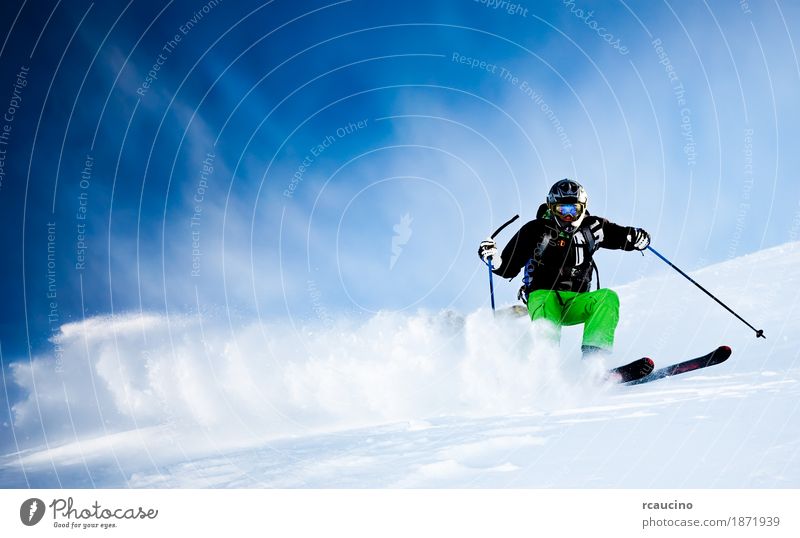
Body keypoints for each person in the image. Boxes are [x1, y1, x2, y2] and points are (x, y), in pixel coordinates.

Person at [478, 179, 650, 358]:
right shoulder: (535, 230)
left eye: (573, 210)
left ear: (583, 208)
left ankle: (594, 363)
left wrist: (638, 238)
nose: (568, 217)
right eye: (562, 210)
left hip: (576, 301)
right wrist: (493, 259)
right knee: (546, 301)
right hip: (543, 298)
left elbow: (622, 236)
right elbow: (507, 268)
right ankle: (545, 363)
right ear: (552, 208)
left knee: (607, 298)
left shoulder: (593, 228)